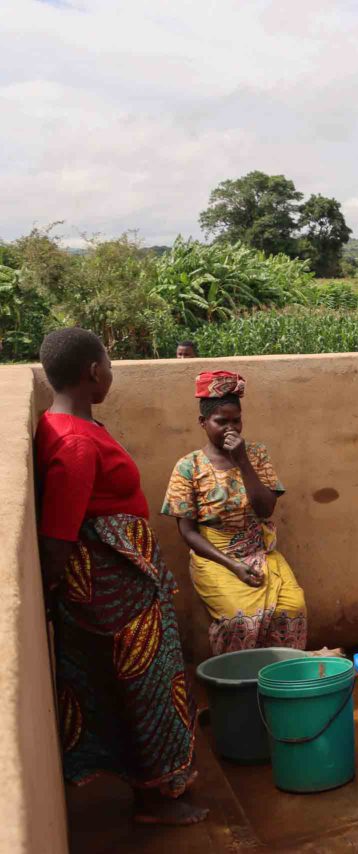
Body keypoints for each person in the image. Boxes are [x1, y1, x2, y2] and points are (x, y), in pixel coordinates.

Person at [34, 328, 206, 826]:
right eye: (107, 363)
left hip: (121, 585)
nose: (110, 371)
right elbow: (59, 537)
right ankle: (155, 800)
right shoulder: (75, 444)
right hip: (115, 601)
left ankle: (154, 793)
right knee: (144, 693)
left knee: (137, 691)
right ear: (93, 373)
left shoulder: (65, 426)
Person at [161, 371, 307, 656]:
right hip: (214, 557)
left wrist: (242, 463)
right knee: (240, 621)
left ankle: (279, 683)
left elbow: (265, 509)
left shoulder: (256, 455)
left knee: (292, 607)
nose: (231, 428)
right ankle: (238, 687)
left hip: (260, 552)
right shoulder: (188, 467)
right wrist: (232, 565)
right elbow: (187, 532)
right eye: (221, 421)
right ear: (203, 423)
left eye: (236, 420)